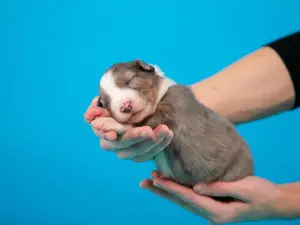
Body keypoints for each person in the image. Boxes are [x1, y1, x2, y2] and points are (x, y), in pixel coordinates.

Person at [84, 31, 300, 224]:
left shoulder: (171, 101)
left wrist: (286, 200)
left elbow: (167, 117)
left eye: (130, 82)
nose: (124, 102)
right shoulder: (166, 98)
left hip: (231, 168)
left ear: (148, 69)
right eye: (109, 101)